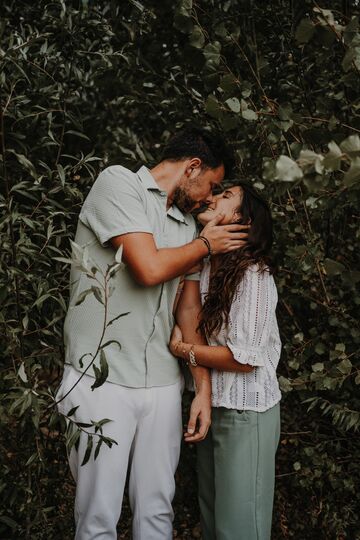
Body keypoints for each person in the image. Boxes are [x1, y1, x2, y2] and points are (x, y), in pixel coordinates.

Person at [56, 127, 249, 540]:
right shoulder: (118, 183)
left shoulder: (186, 224)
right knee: (97, 518)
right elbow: (148, 269)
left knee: (158, 511)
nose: (207, 199)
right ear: (192, 167)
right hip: (98, 378)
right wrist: (206, 245)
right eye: (210, 185)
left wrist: (202, 388)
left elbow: (189, 308)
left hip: (162, 382)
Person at [170, 181, 282, 540]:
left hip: (247, 413)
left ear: (242, 221)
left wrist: (185, 351)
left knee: (239, 528)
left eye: (226, 197)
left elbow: (244, 359)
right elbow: (188, 320)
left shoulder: (253, 276)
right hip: (211, 405)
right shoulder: (204, 268)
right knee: (214, 522)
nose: (213, 197)